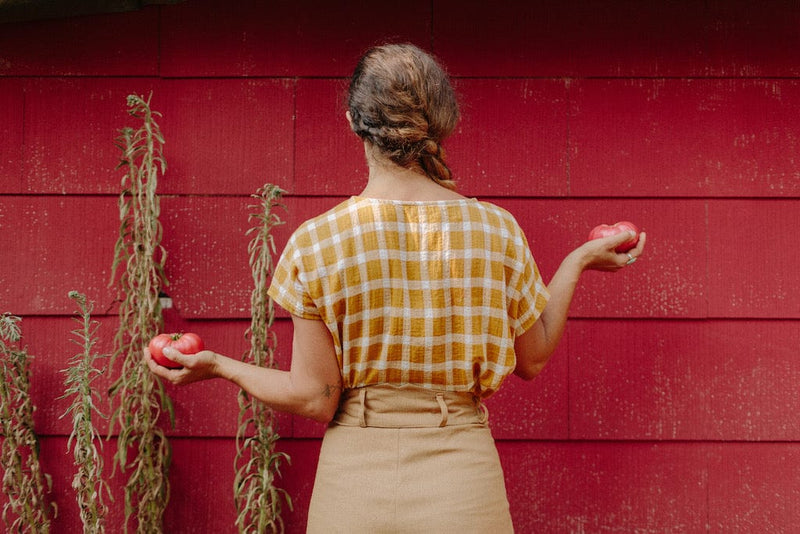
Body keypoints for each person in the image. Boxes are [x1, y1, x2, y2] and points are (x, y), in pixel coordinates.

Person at [146, 43, 646, 533]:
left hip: (354, 484)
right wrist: (577, 262)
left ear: (352, 122)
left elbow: (315, 398)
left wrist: (216, 365)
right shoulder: (497, 230)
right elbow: (532, 359)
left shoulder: (317, 241)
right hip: (462, 481)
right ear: (443, 122)